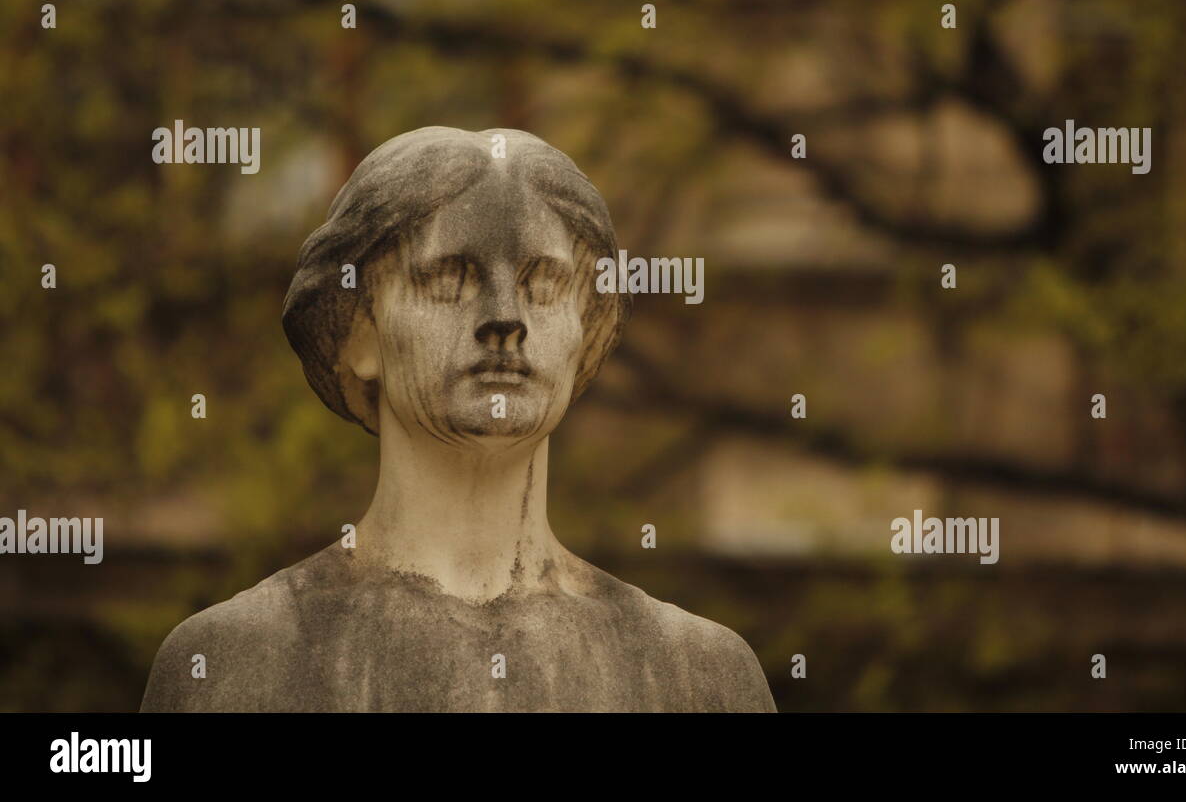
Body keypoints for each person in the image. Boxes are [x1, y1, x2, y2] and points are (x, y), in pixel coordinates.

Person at [141, 127, 775, 712]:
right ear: (359, 333)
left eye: (543, 283)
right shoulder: (232, 668)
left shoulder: (701, 678)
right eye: (448, 278)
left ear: (586, 332)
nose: (505, 317)